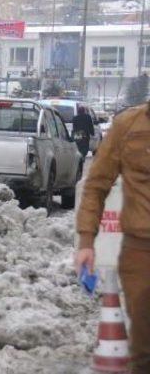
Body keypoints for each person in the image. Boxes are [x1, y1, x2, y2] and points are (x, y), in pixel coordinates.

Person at [75, 101, 150, 374]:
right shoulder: (129, 125)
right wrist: (86, 241)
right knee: (145, 351)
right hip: (142, 255)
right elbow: (96, 184)